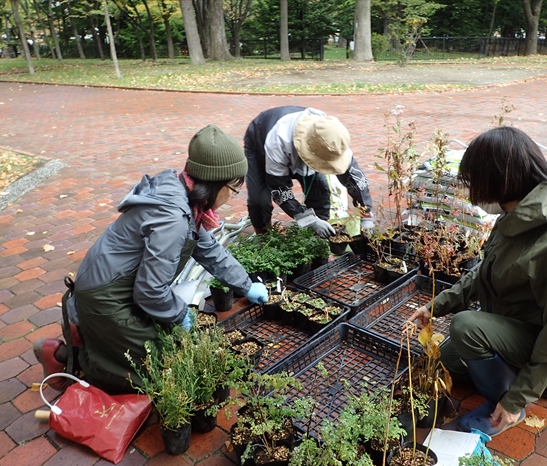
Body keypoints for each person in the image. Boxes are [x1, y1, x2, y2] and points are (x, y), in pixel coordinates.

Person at [408, 126, 547, 437]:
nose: (470, 191)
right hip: (534, 322)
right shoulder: (518, 215)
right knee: (448, 359)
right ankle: (541, 379)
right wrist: (435, 306)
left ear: (497, 181)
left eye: (473, 181)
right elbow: (485, 272)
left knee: (466, 327)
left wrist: (515, 399)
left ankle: (506, 408)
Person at [34, 125, 268, 393]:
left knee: (162, 342)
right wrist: (180, 314)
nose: (233, 195)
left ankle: (91, 335)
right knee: (153, 371)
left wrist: (246, 285)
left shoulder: (183, 195)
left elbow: (209, 250)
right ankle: (65, 356)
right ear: (214, 182)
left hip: (115, 284)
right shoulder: (173, 218)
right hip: (106, 296)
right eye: (234, 188)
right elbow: (150, 291)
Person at [243, 105, 374, 238]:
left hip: (310, 143)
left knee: (320, 192)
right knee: (259, 200)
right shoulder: (278, 140)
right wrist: (309, 220)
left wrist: (366, 213)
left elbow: (353, 177)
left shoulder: (332, 139)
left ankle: (319, 239)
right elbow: (279, 189)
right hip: (259, 141)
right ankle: (263, 237)